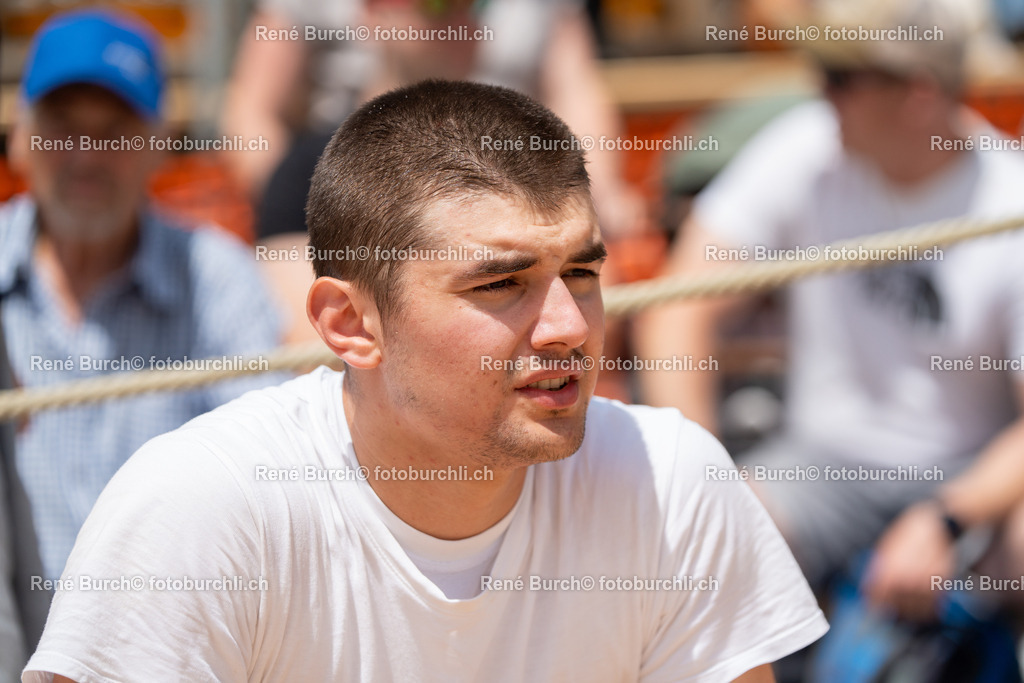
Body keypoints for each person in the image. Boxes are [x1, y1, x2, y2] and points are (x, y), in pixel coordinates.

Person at [25, 80, 826, 682]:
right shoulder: (200, 506)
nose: (570, 326)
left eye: (581, 271)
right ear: (349, 324)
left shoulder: (670, 482)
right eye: (499, 284)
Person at [639, 0, 1024, 622]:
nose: (819, 95)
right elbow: (675, 312)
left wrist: (948, 519)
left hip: (969, 475)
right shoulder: (807, 148)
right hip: (819, 467)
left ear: (919, 95)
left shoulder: (1012, 201)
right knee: (688, 549)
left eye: (839, 79)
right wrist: (706, 485)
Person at [0, 10, 282, 584]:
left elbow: (268, 467)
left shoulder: (216, 276)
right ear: (21, 140)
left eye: (113, 131)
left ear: (161, 145)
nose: (86, 155)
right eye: (63, 127)